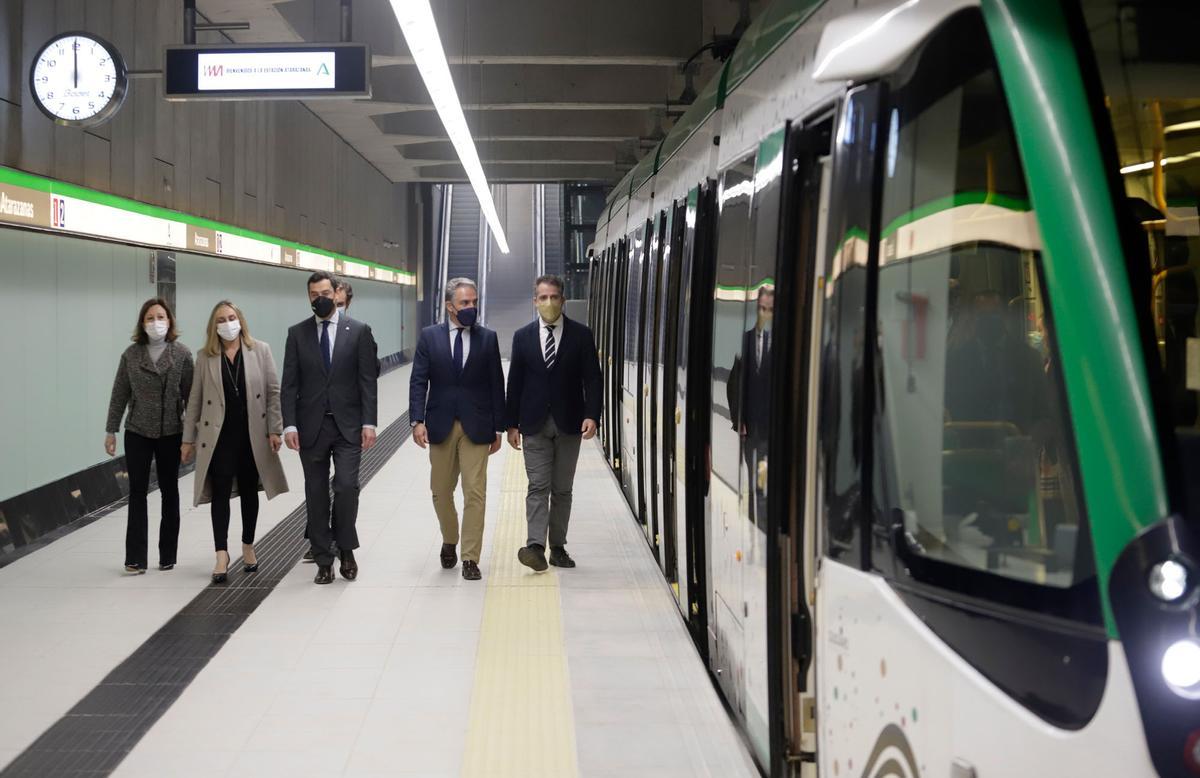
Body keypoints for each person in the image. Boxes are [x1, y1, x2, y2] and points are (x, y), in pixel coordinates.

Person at [282, 271, 379, 585]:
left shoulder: (359, 331)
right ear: (309, 297)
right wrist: (289, 425)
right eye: (314, 294)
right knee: (316, 493)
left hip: (348, 425)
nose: (320, 298)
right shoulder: (297, 334)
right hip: (311, 427)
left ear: (336, 292)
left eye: (325, 292)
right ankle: (323, 559)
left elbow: (367, 381)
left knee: (347, 486)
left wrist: (369, 422)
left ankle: (346, 548)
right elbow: (289, 384)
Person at [181, 301, 289, 584]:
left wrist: (275, 429)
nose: (228, 323)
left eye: (231, 317)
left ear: (240, 320)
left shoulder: (260, 350)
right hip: (217, 438)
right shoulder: (205, 357)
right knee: (219, 494)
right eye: (221, 319)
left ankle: (248, 545)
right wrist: (187, 439)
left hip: (251, 436)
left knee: (250, 493)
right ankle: (221, 554)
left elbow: (273, 391)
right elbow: (194, 399)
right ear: (213, 326)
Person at [409, 278, 506, 580]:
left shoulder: (487, 338)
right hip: (440, 424)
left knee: (475, 492)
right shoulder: (430, 337)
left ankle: (470, 557)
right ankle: (450, 538)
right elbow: (418, 380)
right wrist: (416, 420)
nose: (471, 308)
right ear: (449, 306)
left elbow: (496, 384)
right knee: (440, 491)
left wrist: (499, 429)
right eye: (465, 303)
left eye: (474, 302)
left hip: (477, 426)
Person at [506, 275, 603, 571]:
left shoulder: (581, 335)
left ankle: (558, 548)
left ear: (562, 300)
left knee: (562, 489)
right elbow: (516, 382)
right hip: (533, 423)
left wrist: (592, 415)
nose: (549, 303)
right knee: (538, 486)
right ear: (535, 301)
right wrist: (511, 424)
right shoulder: (522, 337)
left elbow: (593, 379)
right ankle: (535, 545)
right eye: (543, 298)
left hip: (570, 422)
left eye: (554, 297)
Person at [104, 298, 194, 574]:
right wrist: (111, 429)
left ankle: (167, 555)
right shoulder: (131, 355)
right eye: (150, 318)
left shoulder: (181, 354)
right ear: (142, 324)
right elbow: (120, 393)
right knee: (137, 493)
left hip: (171, 432)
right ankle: (135, 558)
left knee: (170, 492)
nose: (157, 322)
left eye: (161, 317)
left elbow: (192, 397)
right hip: (138, 432)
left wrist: (190, 437)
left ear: (170, 321)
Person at [726, 286, 774, 525]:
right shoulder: (744, 340)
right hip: (748, 426)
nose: (766, 313)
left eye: (770, 309)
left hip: (768, 425)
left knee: (762, 475)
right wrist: (738, 419)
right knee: (751, 468)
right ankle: (756, 515)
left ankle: (762, 519)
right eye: (763, 308)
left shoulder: (778, 343)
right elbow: (734, 384)